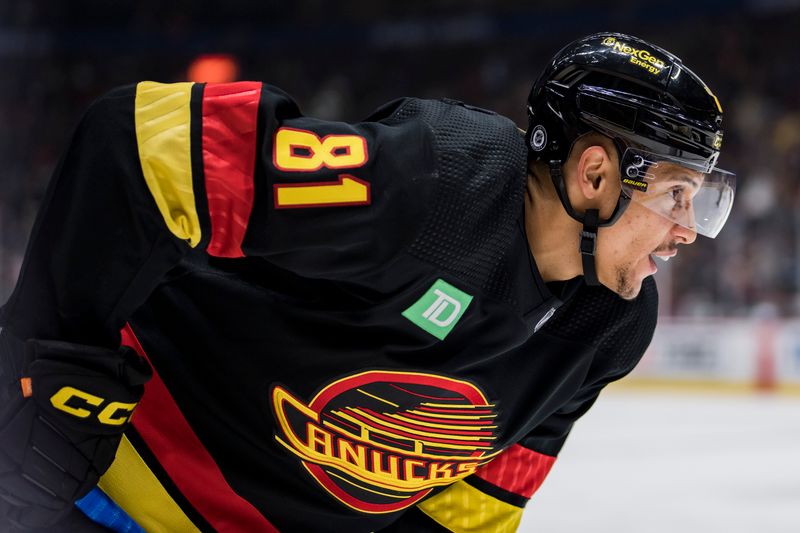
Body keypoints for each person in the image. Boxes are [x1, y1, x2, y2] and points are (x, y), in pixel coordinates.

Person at [0, 32, 734, 532]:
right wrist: (50, 368)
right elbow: (135, 142)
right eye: (676, 195)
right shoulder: (433, 183)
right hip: (97, 494)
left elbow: (472, 506)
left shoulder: (610, 326)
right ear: (595, 173)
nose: (688, 230)